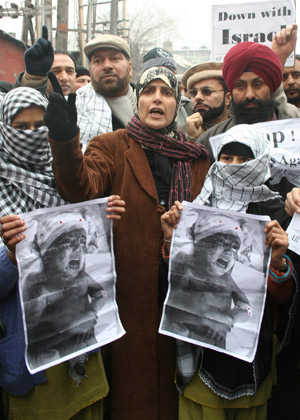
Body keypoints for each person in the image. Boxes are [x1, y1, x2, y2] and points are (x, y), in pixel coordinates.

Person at [43, 65, 210, 420]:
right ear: (137, 100)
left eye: (166, 93)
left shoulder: (197, 158)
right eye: (149, 91)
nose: (157, 99)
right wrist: (64, 137)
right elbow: (79, 187)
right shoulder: (112, 146)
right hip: (126, 300)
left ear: (176, 103)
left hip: (181, 295)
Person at [0, 86, 125, 419]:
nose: (32, 135)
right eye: (20, 127)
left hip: (83, 350)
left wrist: (103, 218)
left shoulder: (68, 179)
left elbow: (93, 260)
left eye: (40, 125)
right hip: (32, 364)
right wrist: (11, 257)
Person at [161, 124, 297, 420]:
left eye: (244, 159)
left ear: (261, 160)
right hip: (200, 358)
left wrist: (277, 262)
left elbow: (282, 297)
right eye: (226, 158)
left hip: (250, 361)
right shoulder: (196, 209)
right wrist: (172, 240)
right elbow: (177, 283)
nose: (234, 166)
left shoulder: (275, 213)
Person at [198, 24, 299, 163]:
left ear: (271, 86)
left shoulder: (296, 135)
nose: (249, 94)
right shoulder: (208, 143)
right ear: (231, 91)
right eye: (240, 86)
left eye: (257, 85)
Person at [23, 212, 107, 363]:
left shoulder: (81, 277)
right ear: (47, 254)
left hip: (86, 348)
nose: (77, 248)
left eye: (82, 241)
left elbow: (101, 293)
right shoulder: (40, 291)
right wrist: (71, 329)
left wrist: (92, 310)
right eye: (67, 242)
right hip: (54, 360)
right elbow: (32, 345)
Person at [163, 214, 250, 349]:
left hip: (216, 338)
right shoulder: (186, 267)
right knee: (184, 367)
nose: (229, 252)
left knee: (214, 366)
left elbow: (248, 309)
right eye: (223, 243)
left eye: (234, 247)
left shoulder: (227, 280)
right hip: (185, 333)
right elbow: (172, 306)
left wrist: (230, 318)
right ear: (200, 245)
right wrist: (207, 319)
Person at [142, 46, 193, 128]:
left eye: (167, 71)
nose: (162, 76)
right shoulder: (131, 106)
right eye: (155, 71)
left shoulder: (188, 107)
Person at [179, 62, 231, 139]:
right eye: (193, 93)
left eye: (207, 91)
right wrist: (192, 139)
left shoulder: (242, 130)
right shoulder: (181, 134)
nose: (197, 97)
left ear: (227, 98)